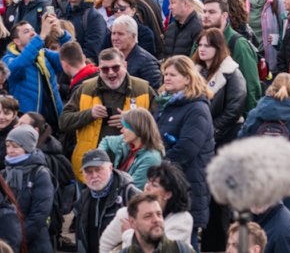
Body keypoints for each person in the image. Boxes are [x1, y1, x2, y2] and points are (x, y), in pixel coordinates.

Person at [60, 47, 157, 176]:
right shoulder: (85, 89)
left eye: (116, 68)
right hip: (93, 167)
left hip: (131, 167)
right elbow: (63, 122)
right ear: (99, 69)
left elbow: (159, 122)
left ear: (125, 65)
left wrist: (132, 122)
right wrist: (89, 114)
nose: (111, 73)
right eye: (105, 69)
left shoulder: (143, 89)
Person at [155, 55, 214, 238]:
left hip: (189, 184)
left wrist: (158, 165)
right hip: (169, 181)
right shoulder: (166, 104)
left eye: (173, 74)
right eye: (166, 74)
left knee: (186, 241)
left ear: (188, 78)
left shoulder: (197, 108)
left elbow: (187, 149)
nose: (167, 78)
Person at [100, 161, 196, 252]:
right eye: (148, 182)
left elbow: (160, 250)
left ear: (168, 194)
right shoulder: (127, 214)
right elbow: (105, 244)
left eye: (154, 185)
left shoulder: (182, 220)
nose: (147, 187)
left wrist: (128, 234)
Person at [75, 148, 143, 253]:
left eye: (98, 169)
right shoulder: (84, 197)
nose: (94, 176)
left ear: (110, 168)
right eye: (88, 171)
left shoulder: (129, 194)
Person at [3, 124, 56, 253]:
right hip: (9, 240)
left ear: (27, 147)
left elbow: (39, 214)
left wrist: (16, 237)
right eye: (8, 146)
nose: (10, 150)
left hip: (35, 243)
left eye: (15, 146)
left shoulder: (40, 174)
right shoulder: (5, 172)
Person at [98, 108, 165, 189]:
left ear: (137, 129)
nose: (121, 131)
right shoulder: (126, 142)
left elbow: (132, 189)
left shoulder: (151, 158)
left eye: (125, 127)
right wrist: (100, 161)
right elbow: (106, 141)